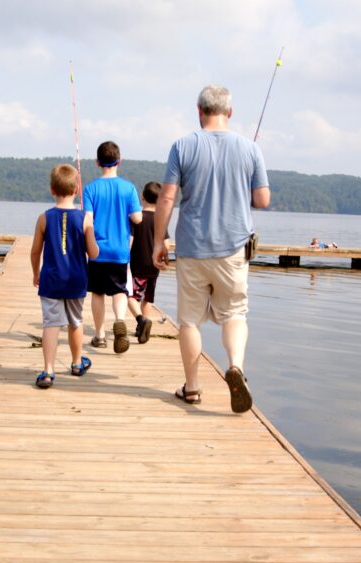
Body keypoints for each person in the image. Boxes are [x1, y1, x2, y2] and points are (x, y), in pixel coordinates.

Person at [153, 85, 271, 413]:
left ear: (199, 110)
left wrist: (157, 240)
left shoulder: (183, 146)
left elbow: (166, 198)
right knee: (234, 313)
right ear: (230, 113)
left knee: (190, 321)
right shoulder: (250, 149)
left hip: (192, 247)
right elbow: (262, 199)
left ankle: (191, 388)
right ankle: (235, 367)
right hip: (234, 249)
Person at [30, 163, 100, 389]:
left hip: (51, 280)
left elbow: (35, 251)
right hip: (76, 279)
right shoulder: (85, 218)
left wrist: (35, 273)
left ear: (51, 189)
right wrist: (90, 230)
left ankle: (48, 371)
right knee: (75, 321)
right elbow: (93, 252)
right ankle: (77, 363)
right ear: (77, 190)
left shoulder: (43, 218)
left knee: (51, 324)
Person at [83, 141, 142, 354]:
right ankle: (119, 321)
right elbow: (137, 218)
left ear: (98, 162)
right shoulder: (129, 188)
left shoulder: (90, 189)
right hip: (120, 251)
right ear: (120, 161)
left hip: (98, 250)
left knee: (97, 293)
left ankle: (99, 336)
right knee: (119, 291)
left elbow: (87, 220)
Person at [127, 181, 169, 344]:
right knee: (148, 298)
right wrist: (164, 259)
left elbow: (130, 241)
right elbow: (166, 244)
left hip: (137, 265)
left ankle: (141, 322)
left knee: (129, 295)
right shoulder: (160, 220)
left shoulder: (136, 218)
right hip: (154, 266)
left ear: (142, 197)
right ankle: (143, 327)